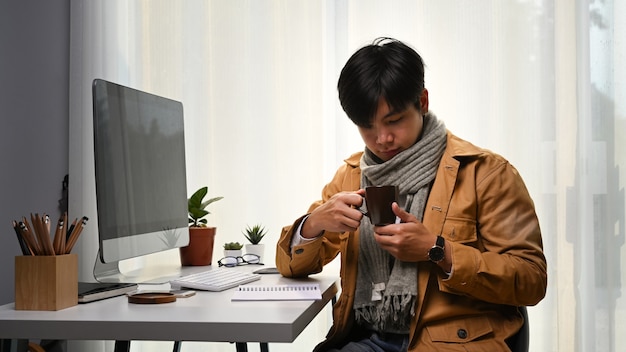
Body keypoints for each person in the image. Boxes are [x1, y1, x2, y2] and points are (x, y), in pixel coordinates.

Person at [275, 37, 547, 352]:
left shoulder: (486, 173)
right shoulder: (351, 176)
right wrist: (314, 224)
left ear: (423, 101)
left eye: (394, 121)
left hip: (454, 344)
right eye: (367, 127)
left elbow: (531, 279)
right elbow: (289, 266)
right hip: (367, 340)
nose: (382, 138)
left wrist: (437, 250)